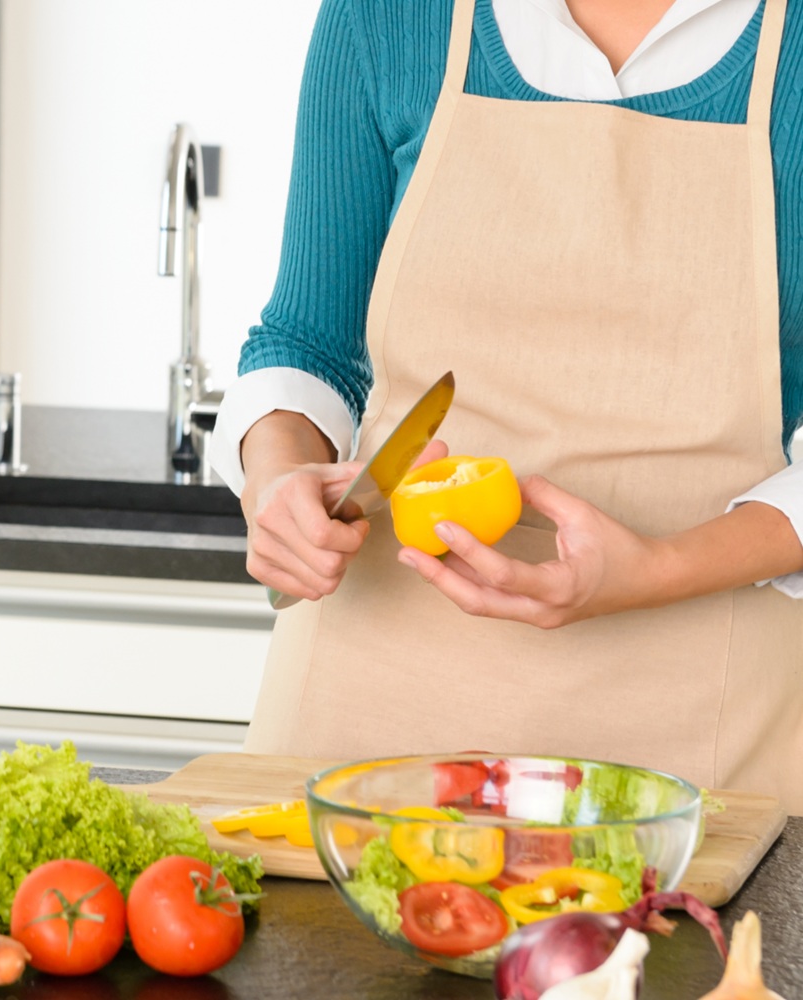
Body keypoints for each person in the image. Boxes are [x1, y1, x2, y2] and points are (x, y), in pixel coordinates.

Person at [209, 0, 803, 814]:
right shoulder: (388, 17)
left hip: (699, 727)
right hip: (370, 705)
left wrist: (660, 567)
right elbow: (307, 343)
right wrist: (277, 479)